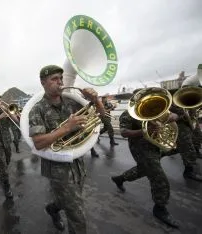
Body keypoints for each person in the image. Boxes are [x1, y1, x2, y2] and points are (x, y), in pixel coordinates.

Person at [29, 65, 105, 233]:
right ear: (43, 83)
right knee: (77, 216)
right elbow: (38, 142)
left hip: (78, 165)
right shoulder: (37, 109)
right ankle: (58, 208)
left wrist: (96, 101)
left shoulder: (73, 102)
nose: (60, 82)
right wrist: (66, 128)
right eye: (54, 79)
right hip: (58, 171)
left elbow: (101, 119)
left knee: (68, 201)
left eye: (61, 79)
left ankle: (53, 208)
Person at [111, 88, 179, 228]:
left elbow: (173, 115)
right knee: (158, 176)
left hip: (155, 144)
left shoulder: (154, 108)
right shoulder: (127, 114)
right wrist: (144, 131)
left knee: (143, 170)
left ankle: (120, 178)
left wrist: (173, 117)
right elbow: (124, 133)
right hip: (140, 148)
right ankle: (160, 208)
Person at [170, 100, 202, 181]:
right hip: (180, 127)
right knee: (187, 148)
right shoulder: (172, 104)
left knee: (192, 143)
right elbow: (171, 116)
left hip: (189, 123)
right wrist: (182, 116)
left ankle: (195, 153)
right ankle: (188, 172)